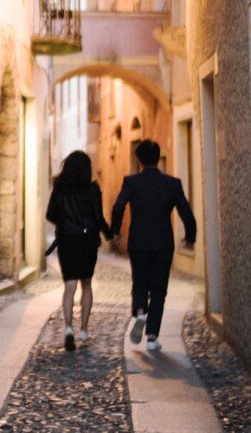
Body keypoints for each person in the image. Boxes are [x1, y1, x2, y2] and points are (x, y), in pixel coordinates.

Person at [110, 138, 196, 352]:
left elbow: (118, 207)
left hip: (138, 241)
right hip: (162, 242)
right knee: (159, 289)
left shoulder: (131, 182)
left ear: (138, 160)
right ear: (158, 159)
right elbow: (186, 213)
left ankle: (140, 312)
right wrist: (190, 237)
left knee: (139, 282)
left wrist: (115, 232)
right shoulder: (172, 183)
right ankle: (152, 337)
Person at [45, 150, 113, 351]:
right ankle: (83, 329)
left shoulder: (60, 188)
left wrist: (65, 224)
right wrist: (109, 234)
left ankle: (68, 329)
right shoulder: (92, 190)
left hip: (67, 241)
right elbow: (98, 217)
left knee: (69, 286)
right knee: (87, 284)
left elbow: (51, 214)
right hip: (87, 241)